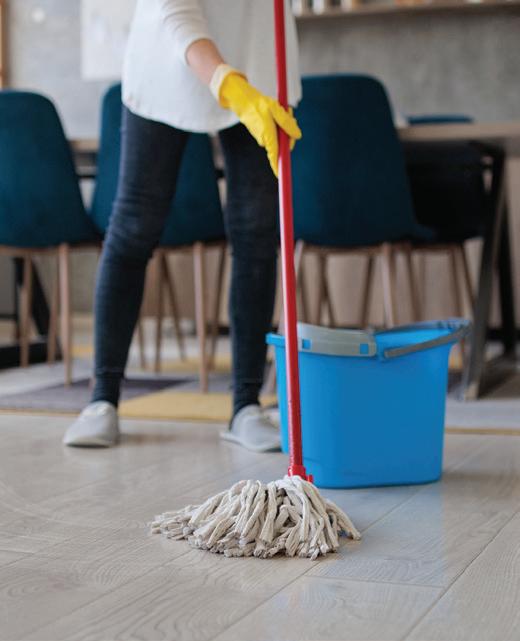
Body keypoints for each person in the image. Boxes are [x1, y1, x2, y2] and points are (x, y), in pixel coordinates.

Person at [63, 1, 302, 451]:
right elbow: (175, 11)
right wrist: (226, 83)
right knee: (134, 225)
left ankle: (247, 405)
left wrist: (248, 86)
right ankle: (102, 399)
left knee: (256, 230)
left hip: (261, 64)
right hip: (167, 63)